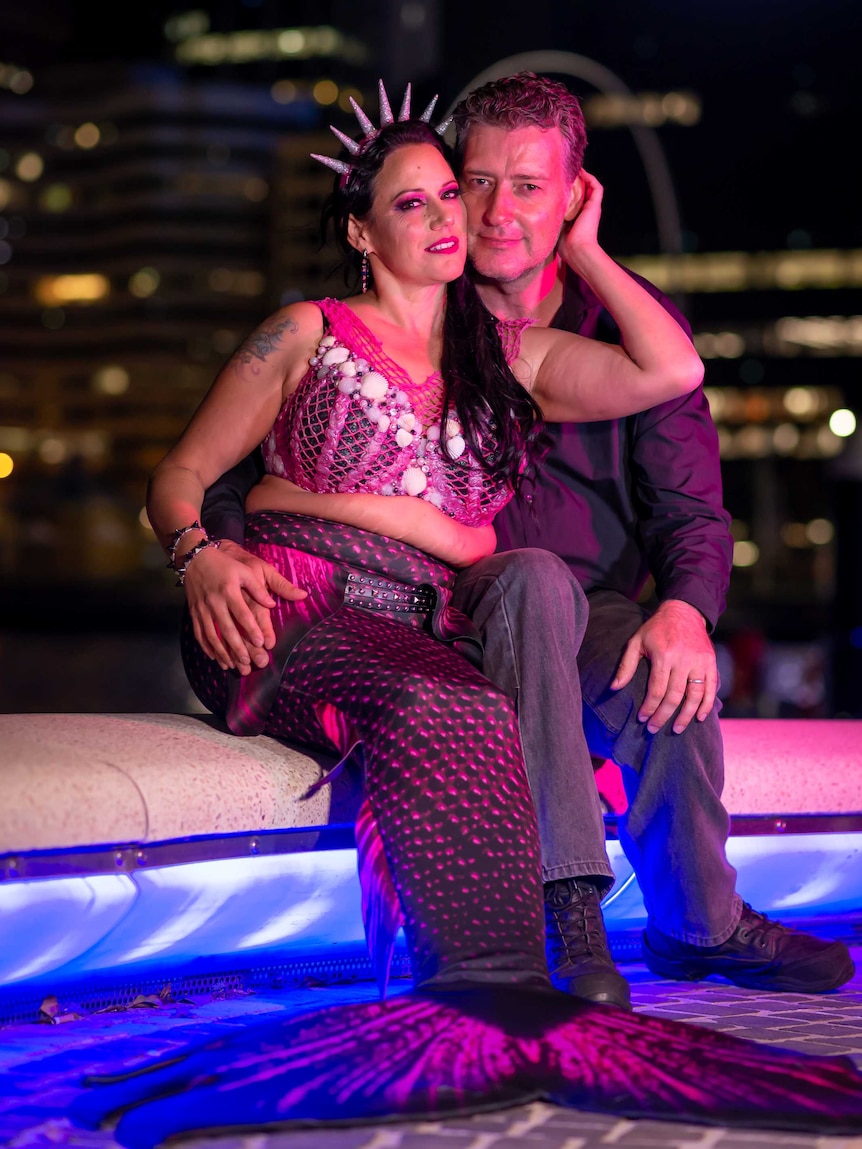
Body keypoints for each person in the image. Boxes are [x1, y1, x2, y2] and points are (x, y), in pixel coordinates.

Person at [70, 87, 862, 1147]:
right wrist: (210, 549)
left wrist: (582, 252)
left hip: (470, 617)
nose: (465, 214)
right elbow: (204, 469)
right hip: (337, 612)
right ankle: (495, 981)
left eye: (477, 192)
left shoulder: (516, 358)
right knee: (477, 654)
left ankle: (589, 962)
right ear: (363, 228)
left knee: (522, 664)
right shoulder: (316, 331)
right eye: (437, 194)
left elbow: (675, 394)